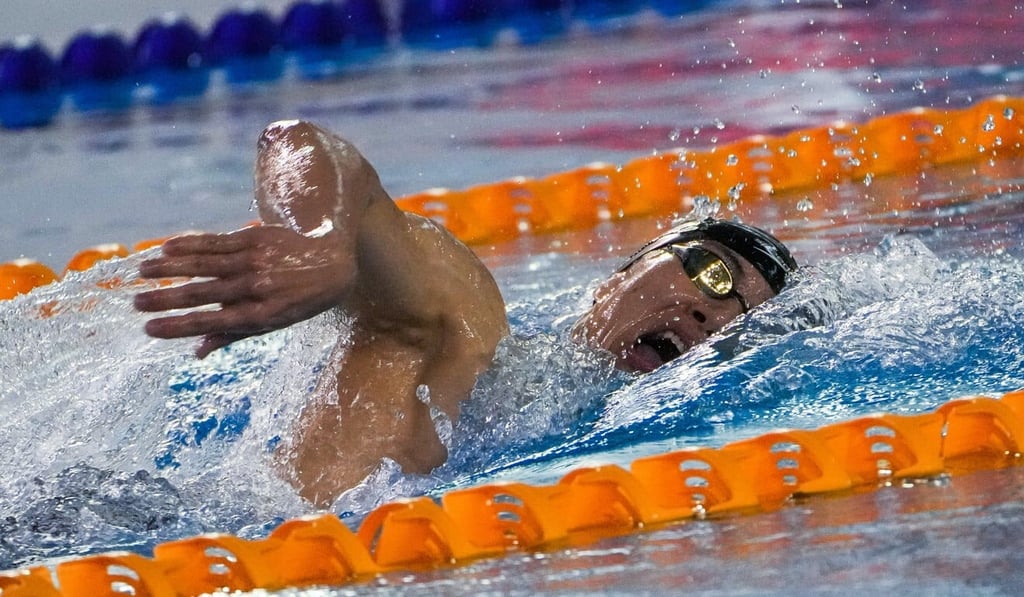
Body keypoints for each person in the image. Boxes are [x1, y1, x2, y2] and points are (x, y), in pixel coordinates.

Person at [134, 120, 797, 506]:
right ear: (618, 275)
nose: (712, 315)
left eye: (738, 324)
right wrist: (320, 241)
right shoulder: (471, 323)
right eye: (712, 272)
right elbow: (304, 144)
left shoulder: (613, 460)